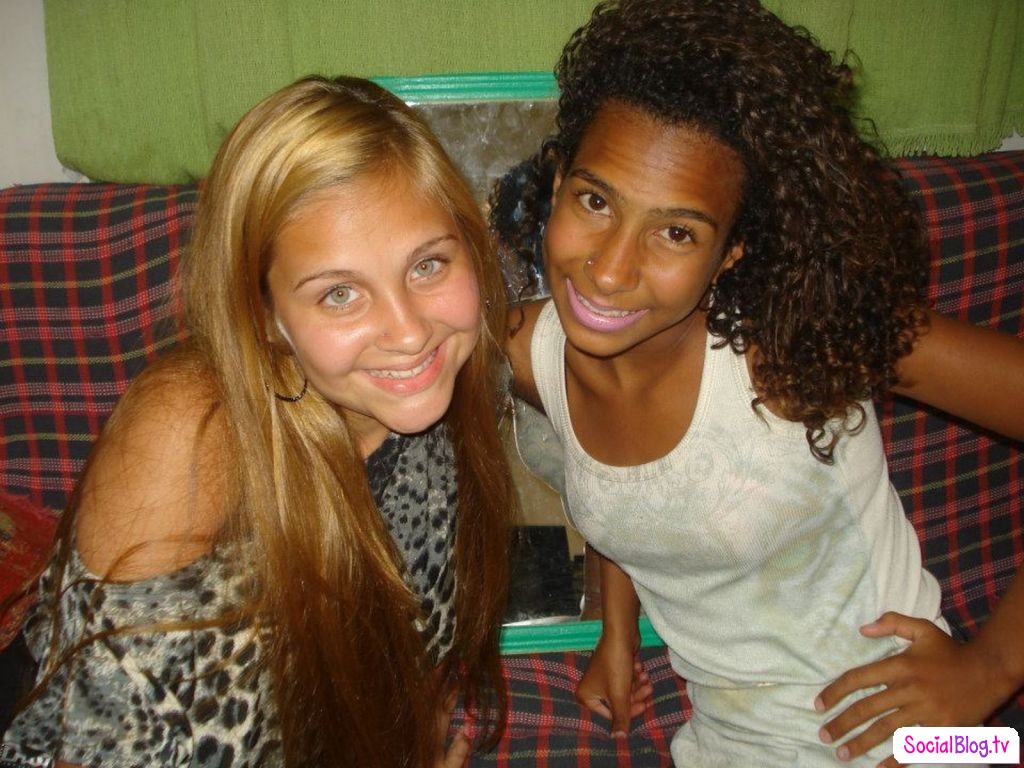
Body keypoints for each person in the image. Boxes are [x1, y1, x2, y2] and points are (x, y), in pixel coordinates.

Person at [494, 1, 1024, 765]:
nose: (609, 269)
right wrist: (616, 633)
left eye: (676, 232)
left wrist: (990, 671)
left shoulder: (795, 339)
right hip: (728, 742)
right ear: (557, 188)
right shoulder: (529, 353)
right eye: (596, 200)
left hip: (916, 738)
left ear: (734, 250)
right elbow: (625, 485)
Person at [3, 75, 517, 767]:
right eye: (339, 294)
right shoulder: (194, 427)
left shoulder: (445, 378)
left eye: (428, 264)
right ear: (265, 315)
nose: (409, 331)